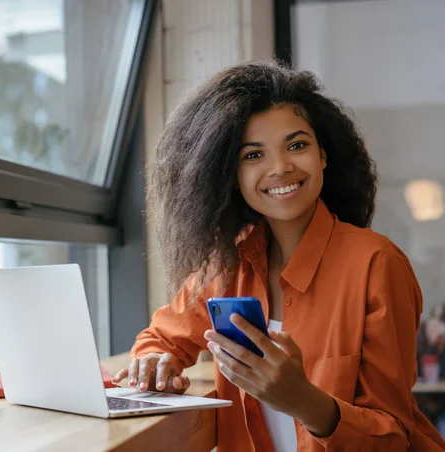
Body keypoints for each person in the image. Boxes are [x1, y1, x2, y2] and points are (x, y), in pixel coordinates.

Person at [112, 60, 445, 451]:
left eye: (297, 145)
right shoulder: (226, 265)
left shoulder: (377, 263)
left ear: (323, 155)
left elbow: (391, 436)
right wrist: (154, 361)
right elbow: (162, 338)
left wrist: (301, 398)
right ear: (229, 175)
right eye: (253, 155)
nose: (280, 167)